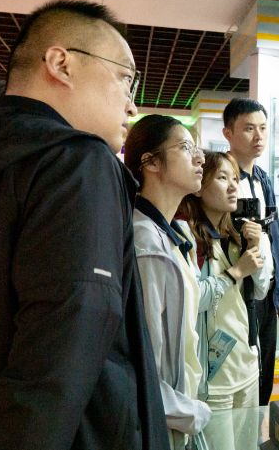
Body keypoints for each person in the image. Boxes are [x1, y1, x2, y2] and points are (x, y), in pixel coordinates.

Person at [0, 0, 169, 450]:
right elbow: (60, 356)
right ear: (61, 63)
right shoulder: (77, 162)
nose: (132, 104)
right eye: (125, 77)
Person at [123, 115, 212, 450]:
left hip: (177, 414)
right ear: (151, 163)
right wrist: (189, 413)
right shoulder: (145, 243)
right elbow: (142, 360)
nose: (200, 158)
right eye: (186, 147)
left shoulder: (170, 233)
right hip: (160, 422)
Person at [179, 151, 273, 450]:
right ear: (199, 185)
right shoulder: (188, 236)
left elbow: (260, 291)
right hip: (213, 380)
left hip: (247, 366)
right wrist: (236, 272)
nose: (234, 186)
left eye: (235, 178)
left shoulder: (236, 236)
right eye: (222, 178)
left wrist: (257, 247)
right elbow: (191, 301)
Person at [222, 98, 279, 406]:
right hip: (238, 292)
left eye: (263, 128)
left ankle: (257, 425)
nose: (258, 136)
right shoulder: (220, 177)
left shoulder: (263, 178)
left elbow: (277, 236)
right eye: (249, 128)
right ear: (228, 133)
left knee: (265, 376)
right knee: (241, 374)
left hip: (267, 294)